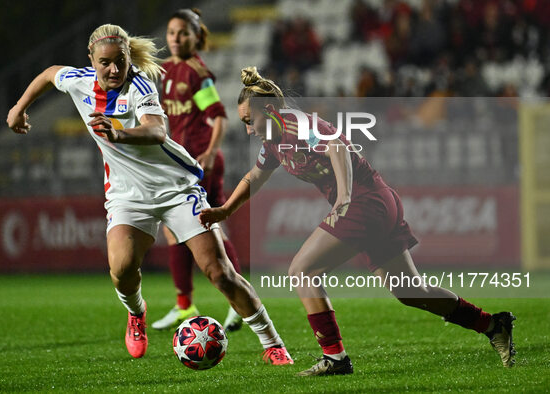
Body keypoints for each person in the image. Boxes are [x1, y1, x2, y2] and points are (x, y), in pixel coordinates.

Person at [199, 66, 516, 376]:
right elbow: (255, 175)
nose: (248, 130)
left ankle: (335, 358)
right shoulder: (274, 140)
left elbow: (338, 147)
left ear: (268, 110)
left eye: (249, 121)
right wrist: (225, 210)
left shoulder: (296, 125)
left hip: (365, 201)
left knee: (301, 270)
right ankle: (492, 324)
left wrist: (344, 196)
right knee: (410, 291)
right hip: (378, 201)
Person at [6, 25, 293, 365]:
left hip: (175, 187)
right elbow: (49, 74)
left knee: (219, 272)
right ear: (91, 61)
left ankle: (273, 344)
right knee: (122, 268)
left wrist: (120, 133)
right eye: (105, 63)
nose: (114, 69)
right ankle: (136, 313)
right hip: (127, 195)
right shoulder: (79, 80)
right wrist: (19, 107)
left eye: (121, 61)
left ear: (129, 58)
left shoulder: (140, 84)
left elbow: (157, 130)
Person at [151, 8, 242, 332]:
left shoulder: (195, 72)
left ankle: (238, 303)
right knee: (174, 230)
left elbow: (218, 115)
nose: (176, 38)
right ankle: (184, 306)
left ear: (195, 37)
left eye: (183, 33)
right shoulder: (167, 69)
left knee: (211, 228)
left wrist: (211, 151)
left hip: (201, 162)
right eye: (172, 32)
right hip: (180, 162)